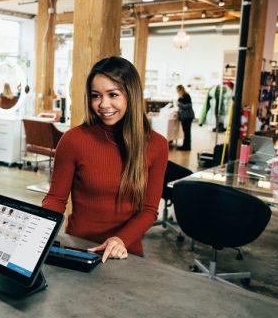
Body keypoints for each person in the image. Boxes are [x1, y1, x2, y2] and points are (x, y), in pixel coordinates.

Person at [42, 57, 168, 261]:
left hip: (126, 253)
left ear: (131, 95)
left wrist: (120, 240)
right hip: (79, 249)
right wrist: (39, 229)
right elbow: (56, 200)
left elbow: (149, 210)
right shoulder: (74, 140)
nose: (103, 104)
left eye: (113, 94)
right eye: (96, 96)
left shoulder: (156, 145)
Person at [176, 85, 195, 150]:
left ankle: (187, 146)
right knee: (185, 131)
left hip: (188, 117)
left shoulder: (187, 96)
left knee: (187, 132)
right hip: (184, 117)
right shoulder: (180, 97)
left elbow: (188, 106)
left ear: (181, 90)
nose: (177, 92)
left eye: (178, 90)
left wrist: (179, 104)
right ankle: (185, 145)